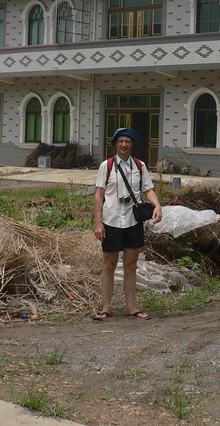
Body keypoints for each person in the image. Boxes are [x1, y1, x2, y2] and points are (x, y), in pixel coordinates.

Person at [93, 127, 162, 320]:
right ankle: (106, 307)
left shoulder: (139, 166)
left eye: (128, 142)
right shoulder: (106, 166)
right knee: (109, 264)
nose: (124, 145)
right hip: (111, 220)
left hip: (133, 221)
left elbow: (148, 189)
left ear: (132, 145)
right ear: (115, 144)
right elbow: (99, 195)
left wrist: (157, 206)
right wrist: (98, 223)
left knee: (131, 265)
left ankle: (130, 307)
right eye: (121, 141)